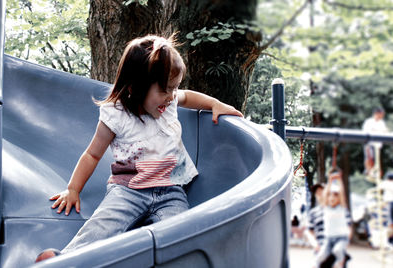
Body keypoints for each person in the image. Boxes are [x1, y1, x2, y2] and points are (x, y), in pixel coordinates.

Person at [36, 34, 243, 262]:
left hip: (171, 192)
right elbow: (92, 154)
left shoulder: (169, 102)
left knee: (181, 235)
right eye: (165, 90)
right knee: (103, 226)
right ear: (136, 86)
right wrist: (73, 189)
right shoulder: (115, 115)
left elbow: (188, 97)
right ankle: (64, 261)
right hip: (127, 191)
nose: (172, 96)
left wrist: (215, 103)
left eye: (174, 89)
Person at [315, 172, 352, 268]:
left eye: (335, 197)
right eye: (330, 196)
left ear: (338, 199)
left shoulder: (342, 207)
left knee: (337, 250)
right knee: (321, 256)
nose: (332, 198)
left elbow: (342, 194)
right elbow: (325, 194)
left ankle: (340, 262)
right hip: (329, 238)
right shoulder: (326, 208)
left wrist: (339, 180)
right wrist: (330, 181)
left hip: (341, 237)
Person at [362, 107, 388, 178]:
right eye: (381, 114)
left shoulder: (381, 123)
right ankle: (368, 170)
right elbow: (365, 132)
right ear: (376, 114)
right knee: (369, 157)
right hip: (370, 143)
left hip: (378, 145)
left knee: (378, 160)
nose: (382, 116)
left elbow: (385, 131)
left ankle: (377, 171)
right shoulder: (369, 122)